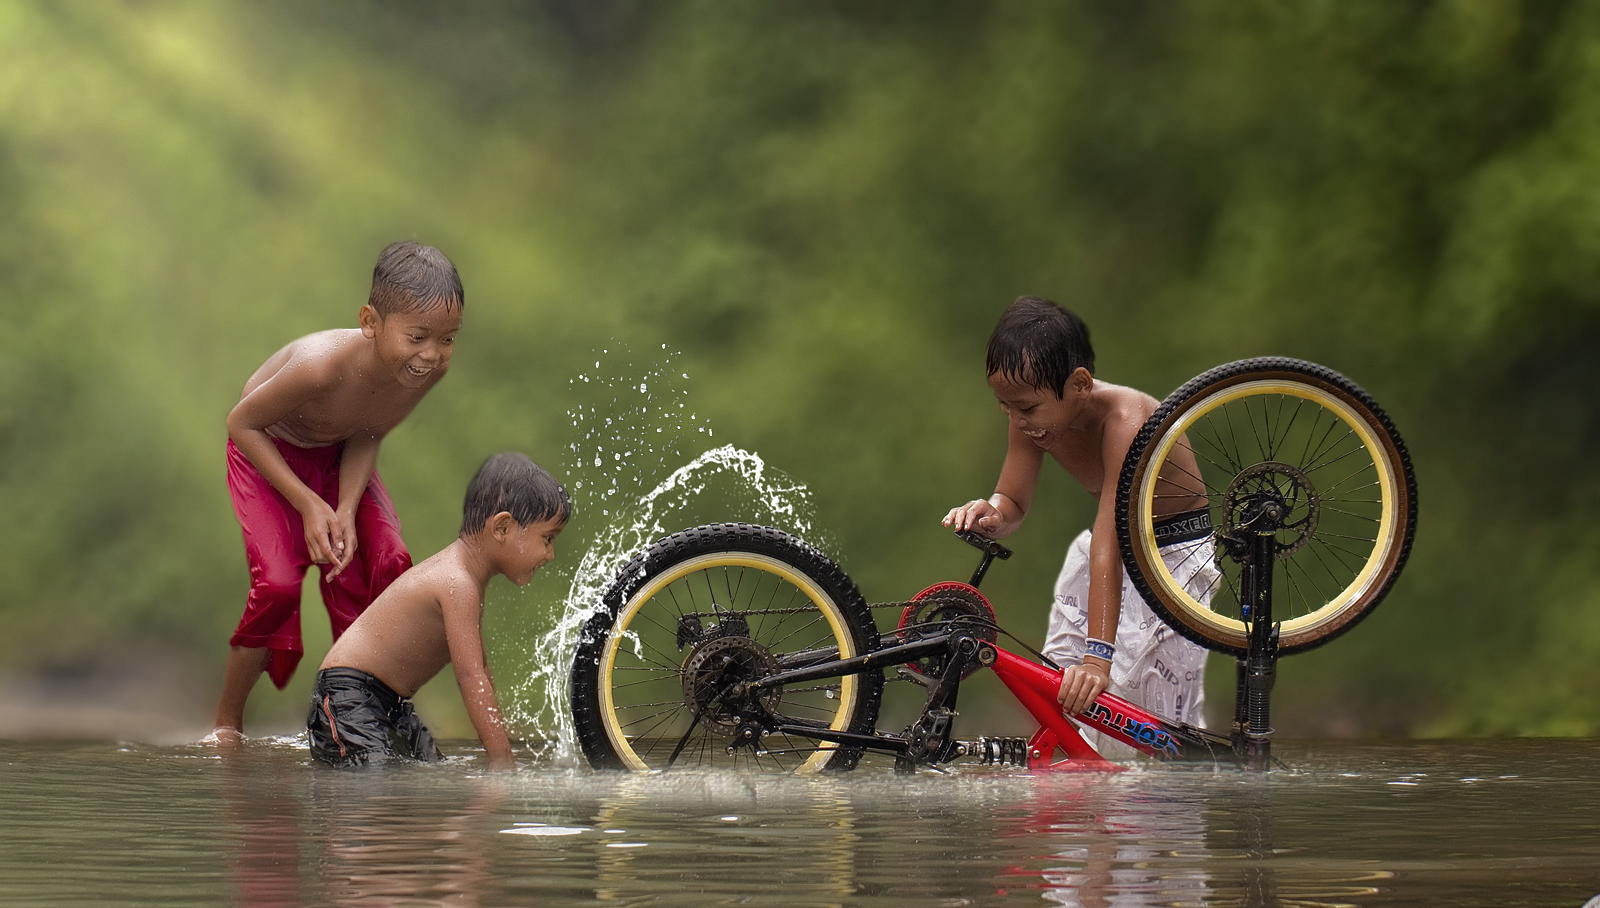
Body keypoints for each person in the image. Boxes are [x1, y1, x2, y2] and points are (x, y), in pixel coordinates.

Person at [942, 297, 1219, 757]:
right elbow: (1012, 500)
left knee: (1150, 720)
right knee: (1065, 695)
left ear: (1079, 385)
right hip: (1104, 552)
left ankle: (1164, 811)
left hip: (1171, 558)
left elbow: (1111, 538)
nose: (1017, 421)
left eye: (1026, 408)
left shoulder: (1127, 421)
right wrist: (989, 513)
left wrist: (1098, 657)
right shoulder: (1030, 417)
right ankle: (1083, 810)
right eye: (1005, 408)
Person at [209, 241, 464, 740]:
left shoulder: (426, 370)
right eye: (417, 336)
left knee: (387, 561)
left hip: (341, 457)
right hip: (269, 456)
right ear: (370, 322)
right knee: (279, 585)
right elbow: (241, 424)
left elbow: (369, 431)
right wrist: (308, 504)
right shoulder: (318, 366)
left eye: (448, 339)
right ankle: (226, 724)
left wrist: (345, 508)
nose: (431, 355)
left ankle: (361, 707)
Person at [306, 452, 570, 769]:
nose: (551, 554)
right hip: (347, 696)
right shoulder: (458, 582)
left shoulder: (466, 582)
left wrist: (503, 752)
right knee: (376, 783)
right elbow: (471, 677)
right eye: (547, 538)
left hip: (388, 703)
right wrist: (502, 762)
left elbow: (481, 671)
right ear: (502, 528)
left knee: (431, 776)